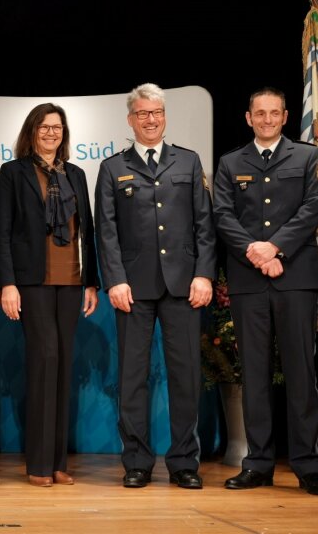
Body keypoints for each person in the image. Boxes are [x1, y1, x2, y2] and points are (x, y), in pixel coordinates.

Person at [94, 82, 216, 489]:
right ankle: (138, 462)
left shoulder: (188, 161)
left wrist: (204, 274)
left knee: (186, 377)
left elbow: (204, 225)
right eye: (143, 114)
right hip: (133, 288)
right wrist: (114, 280)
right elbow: (105, 232)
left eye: (157, 113)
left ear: (165, 117)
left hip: (184, 285)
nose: (151, 120)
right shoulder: (112, 167)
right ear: (131, 119)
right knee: (132, 379)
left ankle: (184, 462)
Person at [213, 86, 318, 496]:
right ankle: (258, 463)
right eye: (259, 113)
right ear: (248, 118)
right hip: (249, 281)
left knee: (301, 372)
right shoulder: (231, 162)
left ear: (285, 117)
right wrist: (256, 253)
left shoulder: (308, 157)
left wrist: (275, 247)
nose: (266, 119)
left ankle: (309, 466)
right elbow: (222, 215)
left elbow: (311, 209)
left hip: (295, 278)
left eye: (274, 113)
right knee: (255, 374)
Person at [0, 103, 99, 487]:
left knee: (64, 365)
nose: (51, 133)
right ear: (32, 131)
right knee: (45, 361)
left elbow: (86, 229)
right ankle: (38, 465)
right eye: (44, 127)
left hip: (71, 283)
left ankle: (58, 463)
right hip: (32, 283)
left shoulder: (77, 174)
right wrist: (7, 283)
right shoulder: (13, 172)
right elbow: (2, 231)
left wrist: (92, 281)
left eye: (57, 127)